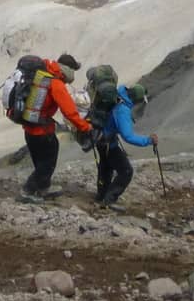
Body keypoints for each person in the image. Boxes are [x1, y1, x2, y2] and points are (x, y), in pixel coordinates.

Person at [18, 53, 92, 201]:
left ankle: (43, 188)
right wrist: (85, 127)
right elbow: (70, 112)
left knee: (39, 160)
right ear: (68, 69)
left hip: (29, 128)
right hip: (43, 131)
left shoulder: (41, 75)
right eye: (73, 71)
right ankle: (28, 191)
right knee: (47, 162)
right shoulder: (55, 83)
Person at [91, 81, 156, 209]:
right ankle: (109, 200)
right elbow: (128, 136)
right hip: (109, 143)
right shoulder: (123, 110)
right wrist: (148, 141)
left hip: (100, 139)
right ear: (136, 99)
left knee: (106, 168)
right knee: (126, 171)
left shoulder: (119, 94)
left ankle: (101, 195)